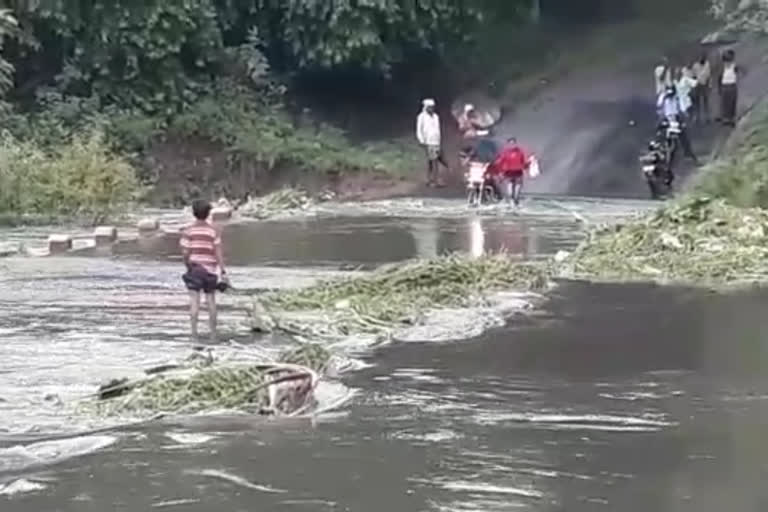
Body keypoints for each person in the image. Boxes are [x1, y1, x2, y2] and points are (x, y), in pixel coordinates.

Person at [180, 199, 228, 344]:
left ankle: (194, 335)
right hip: (211, 271)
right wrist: (223, 271)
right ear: (208, 214)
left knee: (194, 301)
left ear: (194, 213)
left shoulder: (188, 231)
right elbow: (218, 253)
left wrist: (187, 265)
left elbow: (185, 252)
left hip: (195, 268)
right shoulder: (214, 231)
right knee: (211, 301)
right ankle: (213, 335)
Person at [416, 98, 448, 187]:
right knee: (434, 161)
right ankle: (435, 180)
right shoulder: (421, 117)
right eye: (430, 107)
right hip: (428, 141)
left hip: (436, 141)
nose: (432, 109)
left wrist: (439, 140)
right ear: (426, 107)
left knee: (432, 161)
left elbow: (438, 129)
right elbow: (419, 130)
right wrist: (421, 140)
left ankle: (430, 179)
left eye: (433, 107)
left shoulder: (436, 116)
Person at [492, 137, 529, 207]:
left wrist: (526, 168)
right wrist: (500, 171)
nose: (512, 145)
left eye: (513, 143)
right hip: (509, 171)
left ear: (515, 143)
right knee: (511, 184)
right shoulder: (506, 152)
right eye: (511, 143)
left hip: (517, 170)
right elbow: (500, 162)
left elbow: (524, 162)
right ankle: (513, 198)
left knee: (517, 184)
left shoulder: (519, 151)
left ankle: (515, 198)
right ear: (508, 144)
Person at [718, 49, 741, 127]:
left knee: (731, 103)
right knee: (725, 103)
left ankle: (731, 119)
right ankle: (726, 118)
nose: (727, 62)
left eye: (728, 60)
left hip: (731, 86)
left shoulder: (734, 66)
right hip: (725, 86)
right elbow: (719, 78)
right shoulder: (722, 68)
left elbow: (740, 71)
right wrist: (720, 88)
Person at [691, 53, 712, 123]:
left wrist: (709, 85)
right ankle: (697, 116)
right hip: (697, 84)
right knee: (697, 101)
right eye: (701, 59)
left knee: (706, 101)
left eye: (703, 58)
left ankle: (707, 117)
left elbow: (709, 75)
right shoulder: (695, 65)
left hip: (704, 84)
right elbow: (693, 76)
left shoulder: (707, 64)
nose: (702, 60)